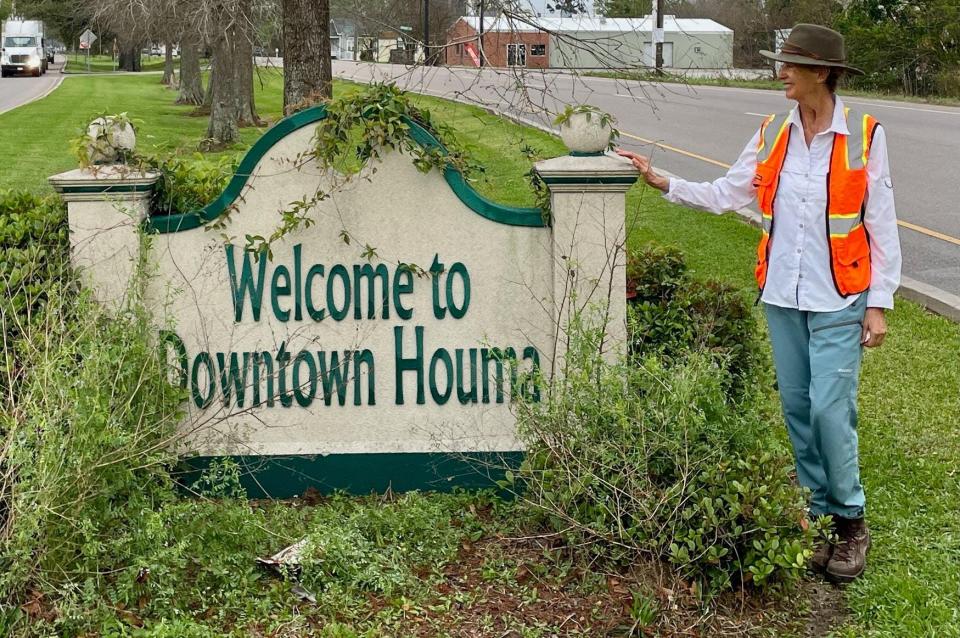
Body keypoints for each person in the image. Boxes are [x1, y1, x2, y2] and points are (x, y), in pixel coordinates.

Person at [617, 24, 901, 584]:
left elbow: (880, 223)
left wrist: (879, 302)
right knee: (798, 409)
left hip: (842, 296)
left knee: (829, 410)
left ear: (821, 72)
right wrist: (662, 180)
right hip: (783, 296)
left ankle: (851, 521)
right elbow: (729, 192)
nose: (782, 72)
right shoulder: (773, 133)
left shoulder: (865, 135)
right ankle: (818, 515)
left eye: (792, 64)